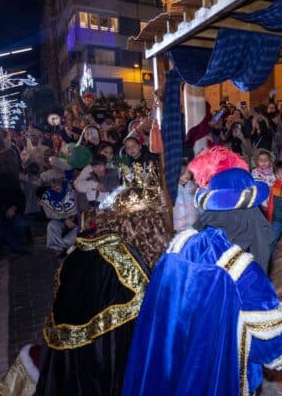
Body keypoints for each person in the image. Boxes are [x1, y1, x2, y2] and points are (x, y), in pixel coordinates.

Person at [122, 147, 282, 396]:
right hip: (215, 377)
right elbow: (274, 346)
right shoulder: (243, 270)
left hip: (169, 367)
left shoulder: (178, 247)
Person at [36, 162, 170, 396]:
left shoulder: (85, 245)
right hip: (97, 363)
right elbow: (134, 335)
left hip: (60, 358)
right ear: (148, 225)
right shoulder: (128, 268)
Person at [39, 171, 78, 256]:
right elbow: (49, 213)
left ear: (61, 182)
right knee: (51, 225)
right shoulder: (47, 195)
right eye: (52, 187)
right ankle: (57, 249)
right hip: (61, 220)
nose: (56, 188)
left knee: (68, 240)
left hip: (77, 220)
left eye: (57, 185)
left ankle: (68, 247)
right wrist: (64, 220)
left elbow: (81, 205)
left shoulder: (72, 188)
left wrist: (75, 219)